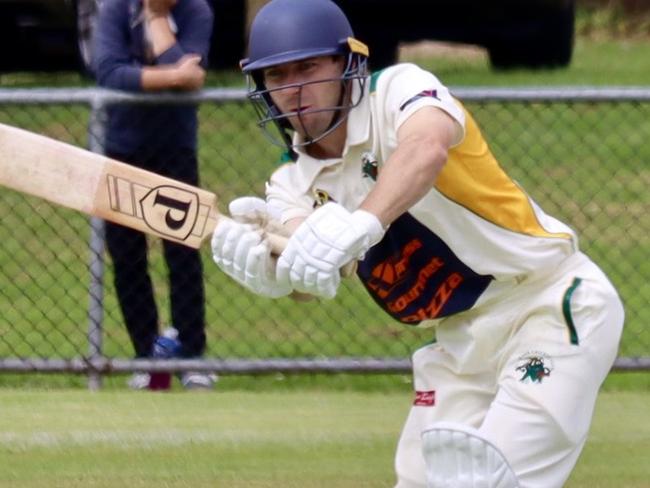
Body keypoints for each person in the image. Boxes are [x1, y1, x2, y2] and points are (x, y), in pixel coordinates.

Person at [210, 0, 625, 485]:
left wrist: (363, 222)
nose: (294, 89)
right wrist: (275, 274)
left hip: (548, 304)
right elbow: (314, 274)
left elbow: (426, 147)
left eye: (307, 67)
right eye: (277, 75)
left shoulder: (399, 90)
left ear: (347, 65)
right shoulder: (289, 183)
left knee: (492, 477)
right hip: (458, 345)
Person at [93, 0, 215, 390]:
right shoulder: (115, 9)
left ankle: (191, 357)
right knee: (127, 257)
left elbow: (192, 73)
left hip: (175, 149)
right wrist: (173, 77)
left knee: (182, 253)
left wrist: (159, 21)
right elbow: (110, 74)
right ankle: (147, 358)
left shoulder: (197, 12)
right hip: (123, 148)